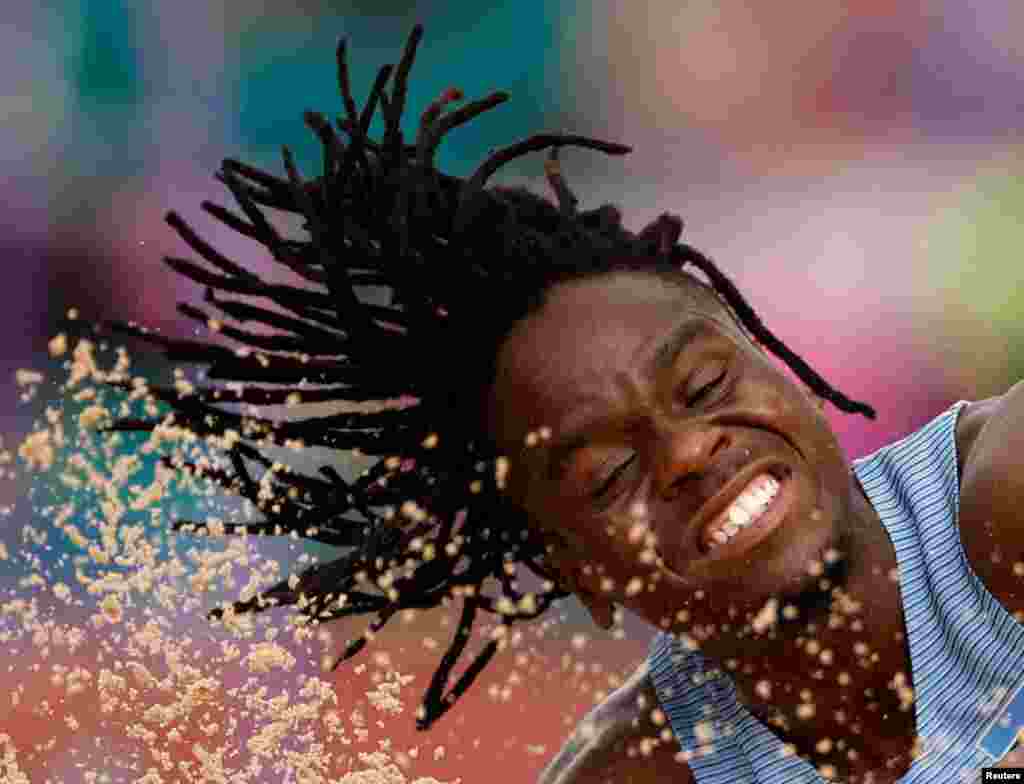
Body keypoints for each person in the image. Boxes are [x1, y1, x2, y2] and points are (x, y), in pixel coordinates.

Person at [88, 26, 1024, 783]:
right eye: (609, 475)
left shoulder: (1002, 503)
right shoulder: (641, 773)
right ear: (582, 573)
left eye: (704, 385)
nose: (691, 454)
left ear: (774, 359)